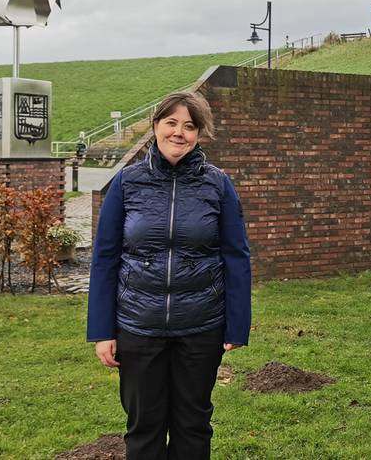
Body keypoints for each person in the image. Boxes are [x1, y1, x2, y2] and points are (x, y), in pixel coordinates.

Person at [87, 90, 252, 460]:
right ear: (156, 126)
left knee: (193, 426)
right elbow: (105, 257)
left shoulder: (218, 184)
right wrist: (102, 330)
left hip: (200, 329)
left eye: (190, 126)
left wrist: (236, 326)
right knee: (143, 428)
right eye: (172, 122)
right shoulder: (127, 183)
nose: (179, 133)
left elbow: (236, 257)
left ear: (199, 134)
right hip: (139, 328)